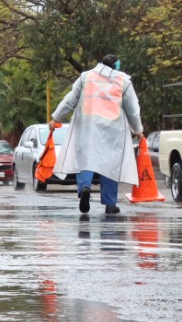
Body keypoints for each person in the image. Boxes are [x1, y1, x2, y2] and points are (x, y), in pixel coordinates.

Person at [51, 53, 143, 215]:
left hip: (87, 126)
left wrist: (55, 118)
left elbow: (70, 100)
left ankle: (85, 188)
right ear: (116, 66)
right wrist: (138, 130)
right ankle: (110, 203)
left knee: (86, 160)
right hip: (112, 130)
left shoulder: (86, 77)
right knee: (110, 165)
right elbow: (132, 110)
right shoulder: (123, 81)